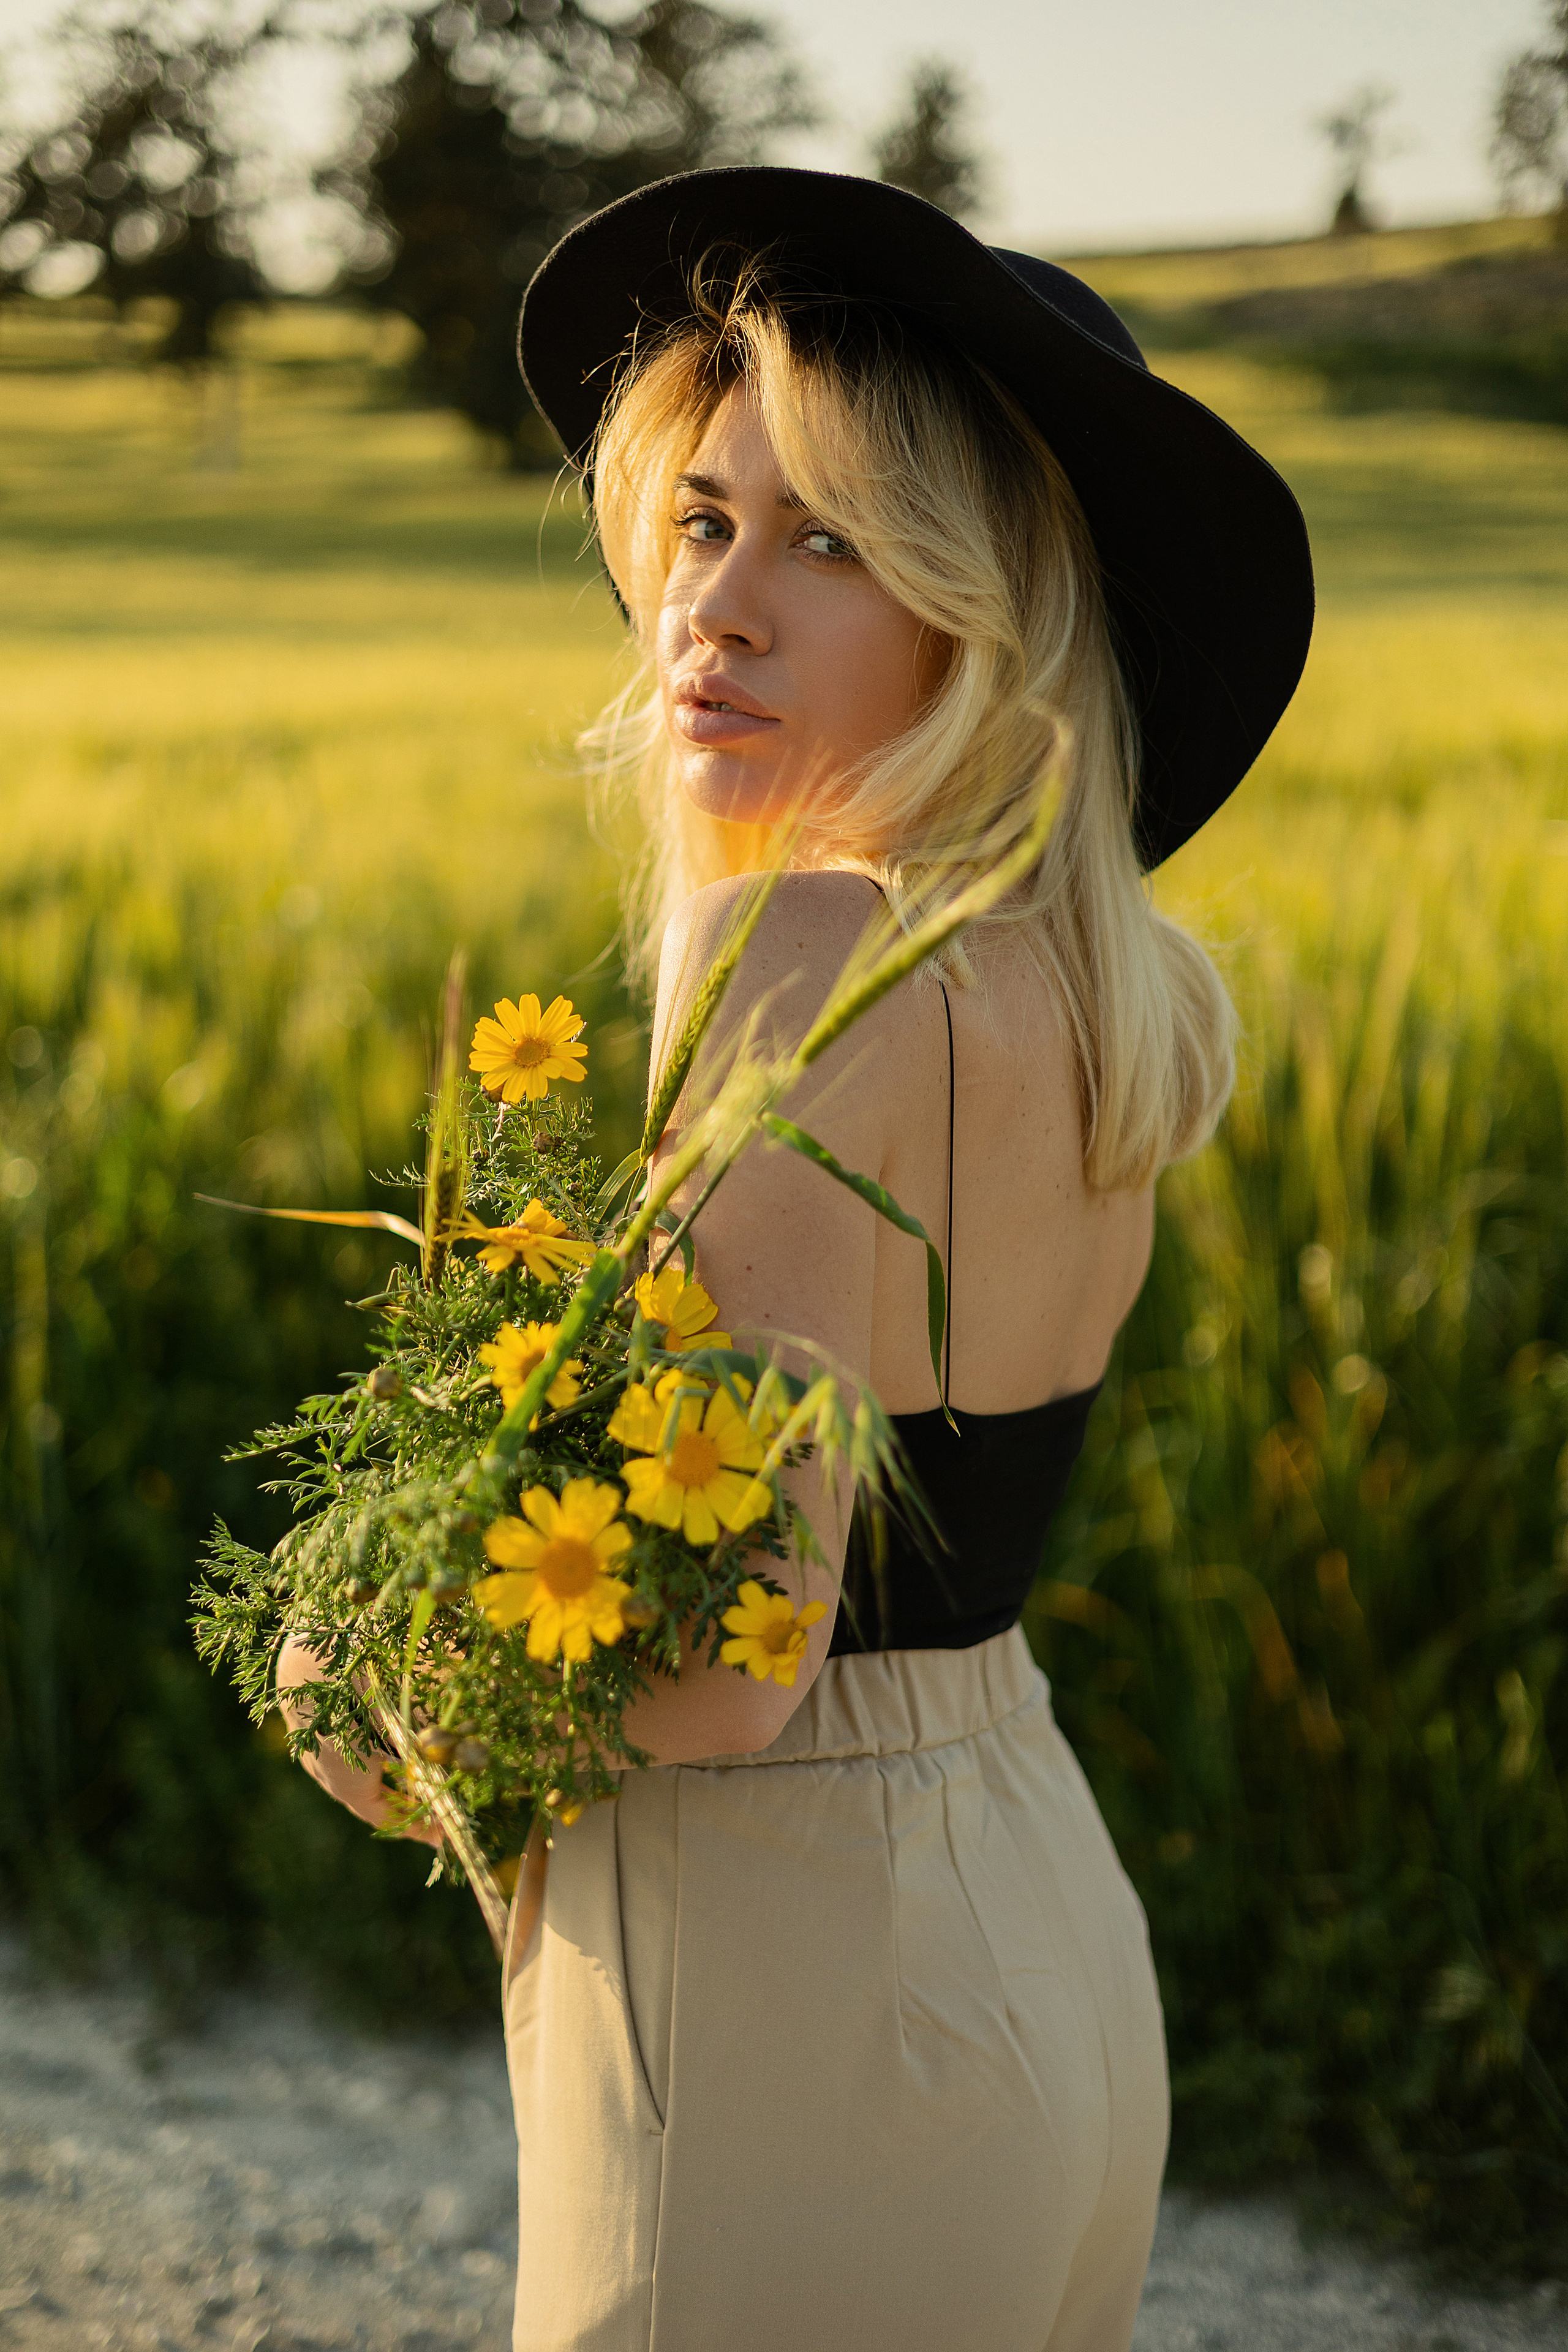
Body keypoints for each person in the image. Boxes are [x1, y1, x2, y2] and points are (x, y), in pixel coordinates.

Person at [285, 168, 1313, 2352]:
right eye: (704, 522)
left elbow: (743, 1659)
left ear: (987, 619)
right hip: (1038, 1921)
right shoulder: (1093, 994)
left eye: (829, 541)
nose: (717, 609)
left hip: (793, 2001)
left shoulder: (802, 957)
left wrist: (381, 1680)